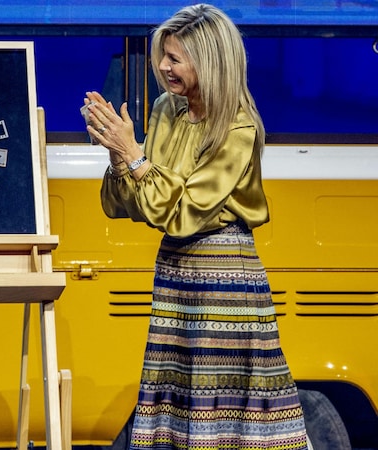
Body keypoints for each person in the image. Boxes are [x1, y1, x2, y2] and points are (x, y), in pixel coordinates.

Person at [84, 4, 310, 449]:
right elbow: (138, 206)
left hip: (223, 280)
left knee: (222, 411)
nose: (163, 67)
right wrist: (119, 157)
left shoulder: (237, 125)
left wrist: (135, 157)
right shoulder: (168, 109)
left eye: (175, 58)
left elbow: (187, 210)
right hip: (175, 274)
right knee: (181, 405)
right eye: (163, 56)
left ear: (209, 61)